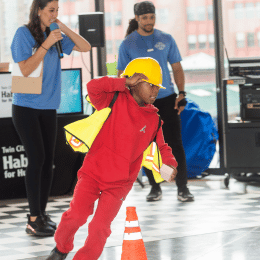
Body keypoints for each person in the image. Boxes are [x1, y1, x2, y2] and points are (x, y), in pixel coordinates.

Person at [45, 57, 178, 260]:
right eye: (150, 85)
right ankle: (61, 248)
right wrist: (122, 82)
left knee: (100, 227)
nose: (155, 91)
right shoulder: (113, 99)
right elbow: (93, 87)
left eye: (157, 87)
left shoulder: (154, 120)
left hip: (119, 185)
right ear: (134, 81)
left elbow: (162, 147)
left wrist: (170, 164)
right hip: (92, 174)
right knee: (76, 216)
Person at [11, 0, 91, 237]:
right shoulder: (23, 34)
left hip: (49, 107)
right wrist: (46, 44)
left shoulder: (55, 35)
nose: (55, 14)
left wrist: (63, 27)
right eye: (51, 11)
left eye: (58, 10)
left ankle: (42, 214)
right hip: (25, 106)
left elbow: (85, 47)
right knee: (36, 159)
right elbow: (25, 69)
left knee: (47, 162)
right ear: (38, 11)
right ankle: (33, 219)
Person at [117, 1, 194, 202]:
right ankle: (154, 187)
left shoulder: (166, 39)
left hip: (167, 99)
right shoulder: (127, 44)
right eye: (144, 18)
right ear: (137, 19)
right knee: (145, 146)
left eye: (151, 17)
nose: (149, 21)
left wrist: (182, 93)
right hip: (141, 104)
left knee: (174, 144)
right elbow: (121, 76)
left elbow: (177, 68)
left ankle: (182, 188)